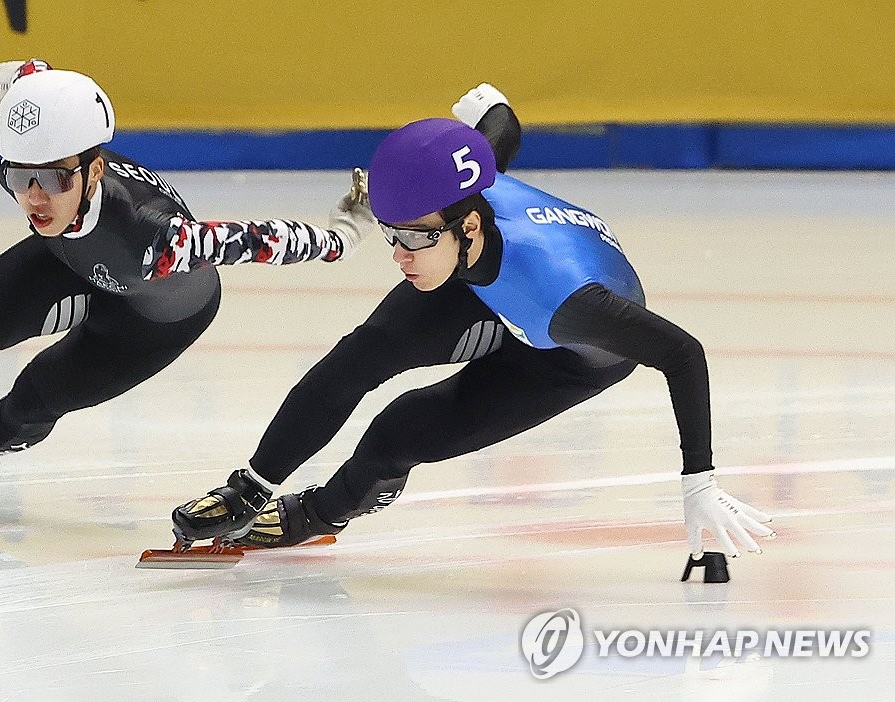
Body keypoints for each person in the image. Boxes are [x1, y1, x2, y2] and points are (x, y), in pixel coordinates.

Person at [171, 84, 776, 561]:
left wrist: (699, 477)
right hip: (479, 285)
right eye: (391, 234)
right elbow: (497, 134)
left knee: (397, 434)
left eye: (412, 237)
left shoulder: (564, 297)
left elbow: (682, 351)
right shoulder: (468, 196)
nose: (399, 254)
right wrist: (493, 104)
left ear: (468, 226)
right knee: (366, 353)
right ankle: (251, 487)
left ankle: (318, 514)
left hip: (563, 351)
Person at [0, 60, 373, 502]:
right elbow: (36, 86)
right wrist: (25, 81)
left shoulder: (160, 238)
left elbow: (263, 239)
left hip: (153, 321)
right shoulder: (58, 154)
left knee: (30, 402)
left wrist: (345, 231)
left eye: (52, 179)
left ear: (94, 171)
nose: (35, 198)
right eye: (19, 178)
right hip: (72, 263)